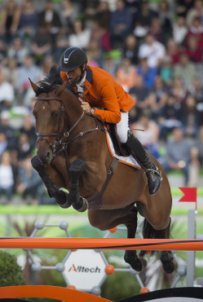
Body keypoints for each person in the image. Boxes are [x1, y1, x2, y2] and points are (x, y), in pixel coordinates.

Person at [59, 46, 162, 194]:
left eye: (72, 70)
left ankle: (151, 169)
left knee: (122, 134)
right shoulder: (66, 75)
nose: (68, 74)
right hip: (92, 105)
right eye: (66, 70)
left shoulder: (103, 80)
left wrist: (93, 111)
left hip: (116, 106)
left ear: (83, 67)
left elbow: (115, 116)